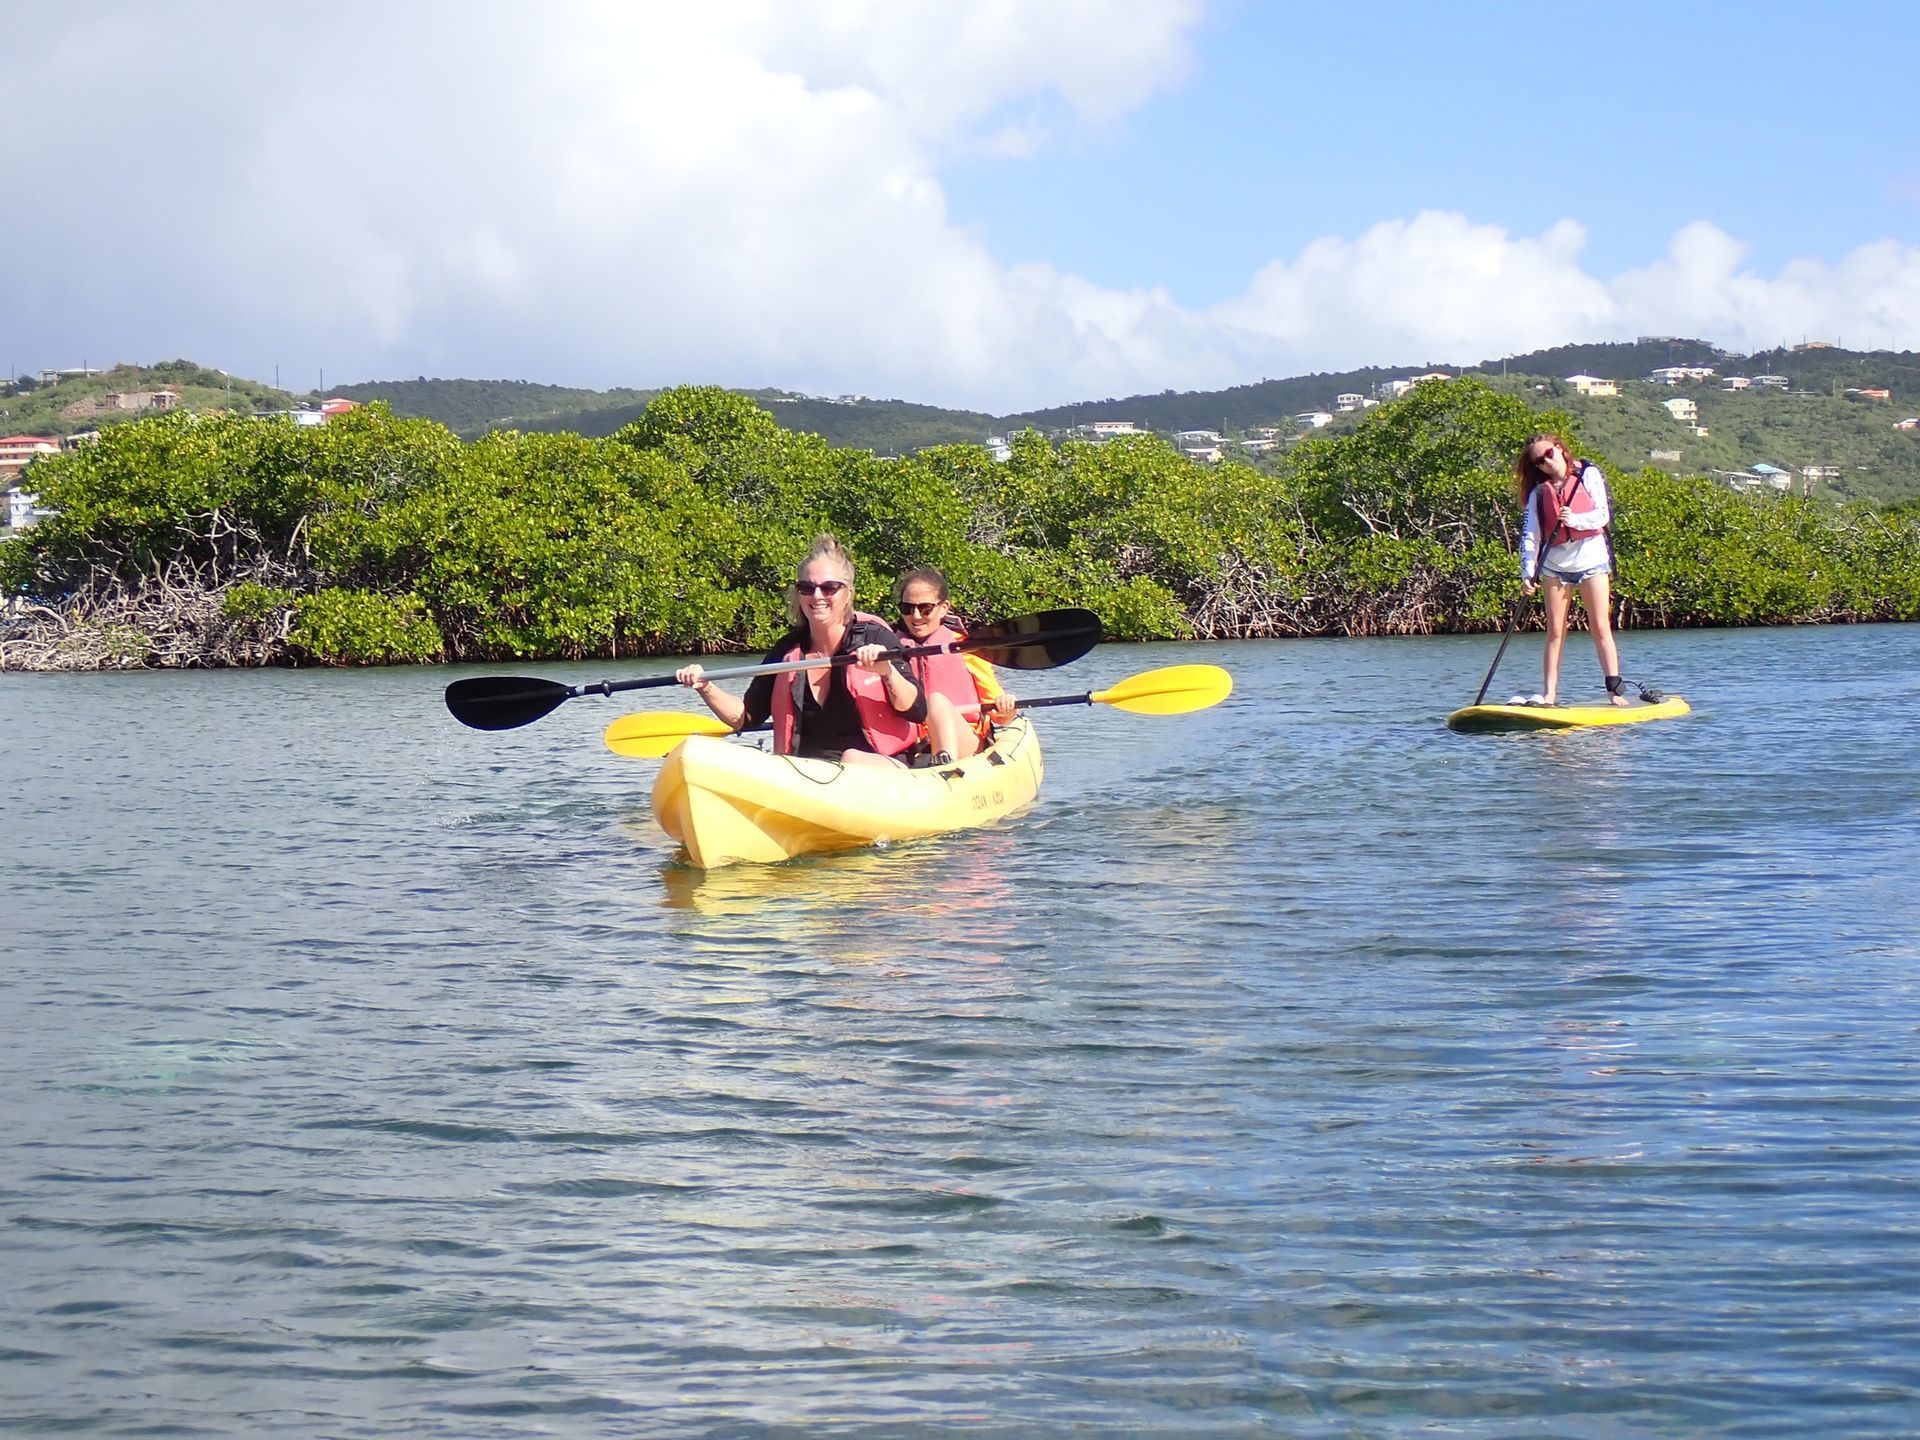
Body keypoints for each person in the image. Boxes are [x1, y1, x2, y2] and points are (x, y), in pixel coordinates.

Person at [674, 534, 926, 766]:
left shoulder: (875, 637)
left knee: (851, 759)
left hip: (879, 769)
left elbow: (916, 709)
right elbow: (745, 717)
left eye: (829, 588)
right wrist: (705, 686)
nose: (817, 596)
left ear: (848, 594)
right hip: (809, 776)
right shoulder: (787, 650)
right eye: (807, 587)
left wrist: (887, 671)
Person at [1516, 433, 1629, 707]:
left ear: (1560, 449)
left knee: (1601, 626)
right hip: (1555, 566)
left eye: (1549, 454)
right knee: (1555, 631)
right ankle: (1549, 695)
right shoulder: (1539, 493)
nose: (1546, 462)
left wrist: (1575, 519)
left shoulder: (1587, 475)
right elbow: (1530, 536)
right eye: (1539, 462)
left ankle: (1614, 691)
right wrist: (1527, 573)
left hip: (1591, 560)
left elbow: (1602, 515)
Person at [892, 566, 1017, 763]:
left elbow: (1000, 716)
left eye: (925, 608)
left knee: (936, 702)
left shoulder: (967, 649)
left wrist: (1007, 708)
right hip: (910, 745)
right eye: (907, 608)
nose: (915, 616)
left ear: (944, 608)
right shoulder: (891, 647)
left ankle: (944, 764)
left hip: (965, 741)